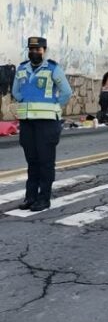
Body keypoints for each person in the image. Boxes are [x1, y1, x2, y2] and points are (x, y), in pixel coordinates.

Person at [11, 37, 72, 211]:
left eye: (38, 49)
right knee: (32, 161)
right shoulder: (22, 68)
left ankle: (44, 198)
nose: (34, 52)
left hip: (47, 124)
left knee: (45, 162)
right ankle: (30, 197)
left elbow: (66, 92)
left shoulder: (53, 68)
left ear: (44, 50)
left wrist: (54, 104)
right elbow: (15, 90)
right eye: (31, 49)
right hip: (28, 123)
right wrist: (25, 100)